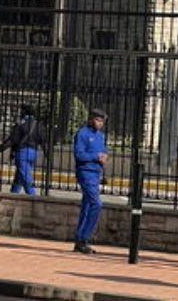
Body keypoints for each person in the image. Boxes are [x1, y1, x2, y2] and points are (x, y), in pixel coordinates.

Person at [73, 108, 108, 254]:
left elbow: (104, 151)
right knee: (96, 204)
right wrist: (96, 156)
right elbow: (79, 154)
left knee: (87, 206)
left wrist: (104, 157)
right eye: (97, 120)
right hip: (85, 172)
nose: (100, 123)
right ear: (91, 119)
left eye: (102, 121)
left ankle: (79, 240)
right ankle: (84, 237)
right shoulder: (82, 134)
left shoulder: (100, 136)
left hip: (96, 173)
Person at [0, 104, 45, 196]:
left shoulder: (20, 124)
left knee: (26, 177)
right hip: (34, 153)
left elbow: (11, 141)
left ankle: (33, 198)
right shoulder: (38, 125)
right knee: (20, 176)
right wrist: (47, 155)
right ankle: (13, 194)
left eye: (21, 111)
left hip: (22, 153)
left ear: (24, 112)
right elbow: (43, 141)